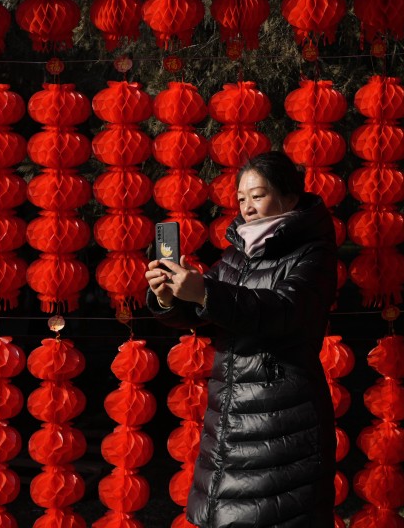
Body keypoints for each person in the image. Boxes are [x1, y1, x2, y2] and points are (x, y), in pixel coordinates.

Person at [145, 150, 338, 528]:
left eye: (258, 195)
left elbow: (283, 309)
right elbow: (213, 310)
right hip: (229, 415)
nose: (247, 207)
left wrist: (204, 293)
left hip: (282, 416)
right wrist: (169, 297)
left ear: (290, 198)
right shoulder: (237, 255)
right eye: (241, 198)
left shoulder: (312, 252)